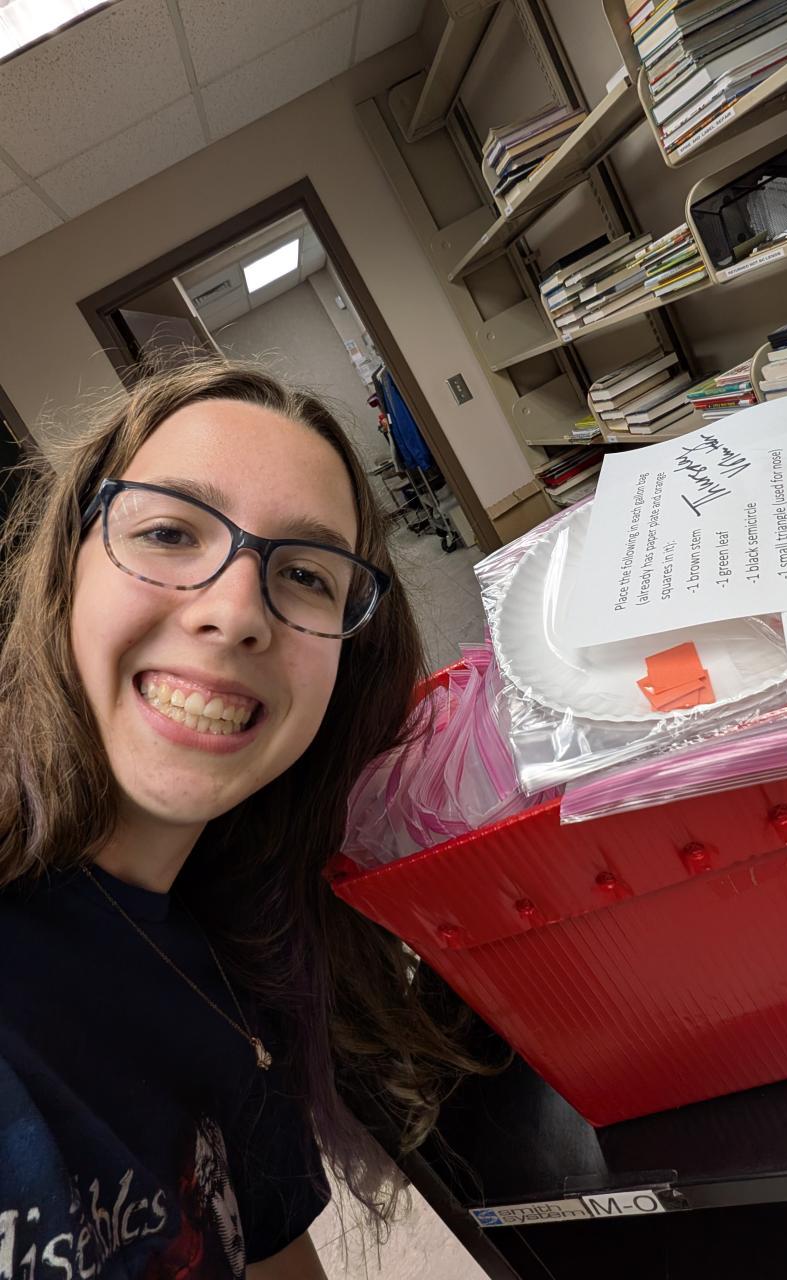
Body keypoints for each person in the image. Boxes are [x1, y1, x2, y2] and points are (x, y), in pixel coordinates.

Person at [0, 359, 476, 1278]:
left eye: (303, 574)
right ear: (66, 570)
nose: (236, 613)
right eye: (169, 531)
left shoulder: (250, 944)